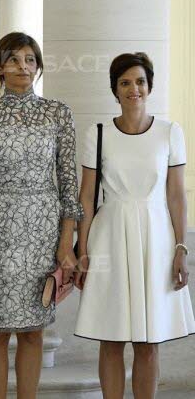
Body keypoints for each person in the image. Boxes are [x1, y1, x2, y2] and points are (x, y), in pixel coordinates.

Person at [0, 32, 83, 398]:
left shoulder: (57, 112)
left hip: (43, 229)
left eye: (30, 59)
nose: (23, 66)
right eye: (14, 59)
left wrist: (66, 244)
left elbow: (67, 182)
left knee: (34, 330)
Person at [74, 52, 195, 399]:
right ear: (115, 88)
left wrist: (180, 249)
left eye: (140, 81)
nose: (133, 89)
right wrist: (82, 252)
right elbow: (86, 198)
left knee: (149, 340)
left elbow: (176, 196)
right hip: (109, 236)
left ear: (150, 85)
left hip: (156, 239)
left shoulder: (171, 132)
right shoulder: (97, 133)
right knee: (110, 338)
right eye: (125, 82)